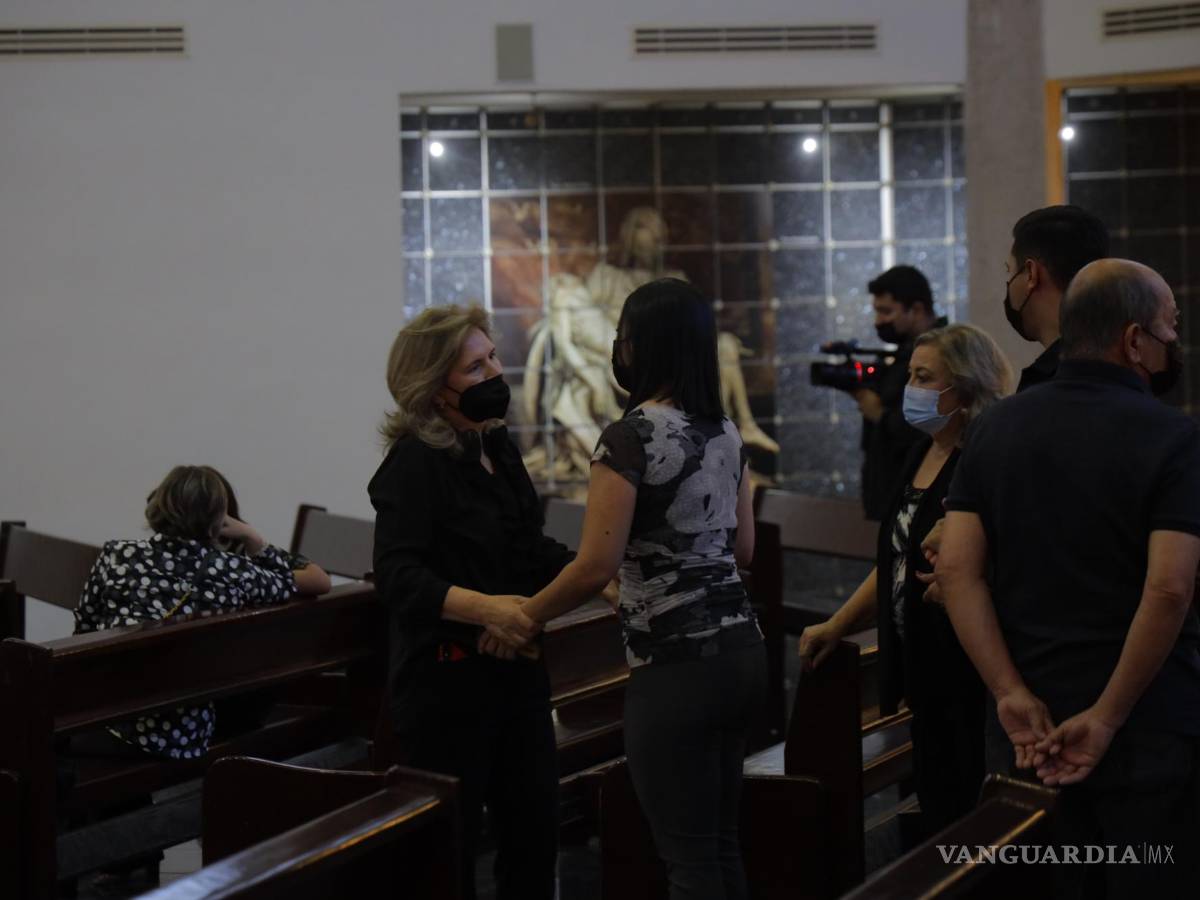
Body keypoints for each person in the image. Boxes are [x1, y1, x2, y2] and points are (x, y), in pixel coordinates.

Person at [938, 259, 1200, 897]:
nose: (1172, 345)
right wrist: (1106, 718)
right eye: (1169, 331)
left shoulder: (995, 426)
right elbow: (1167, 589)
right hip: (1144, 731)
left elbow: (955, 571)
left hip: (1028, 731)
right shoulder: (1173, 437)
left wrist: (1009, 692)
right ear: (1133, 340)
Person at [513, 277, 765, 900]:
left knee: (686, 861)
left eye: (622, 338)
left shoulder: (629, 437)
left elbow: (595, 564)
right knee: (721, 845)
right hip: (743, 655)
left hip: (675, 667)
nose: (616, 350)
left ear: (640, 347)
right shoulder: (725, 431)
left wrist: (524, 616)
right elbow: (744, 551)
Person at [368, 305, 575, 900]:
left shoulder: (496, 445)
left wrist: (600, 575)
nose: (495, 372)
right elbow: (398, 576)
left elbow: (526, 544)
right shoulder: (414, 462)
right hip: (446, 690)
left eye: (492, 357)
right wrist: (489, 611)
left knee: (534, 841)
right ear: (435, 389)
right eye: (476, 365)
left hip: (517, 676)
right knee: (449, 858)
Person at [800, 324, 1012, 838]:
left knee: (970, 809)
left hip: (965, 664)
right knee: (938, 804)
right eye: (910, 374)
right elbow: (895, 559)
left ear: (963, 386)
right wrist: (839, 623)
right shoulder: (921, 452)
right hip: (920, 662)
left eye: (923, 376)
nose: (909, 388)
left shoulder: (983, 457)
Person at [74, 464, 330, 760]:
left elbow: (85, 626)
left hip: (109, 716)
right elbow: (319, 580)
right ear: (219, 519)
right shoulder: (233, 571)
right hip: (183, 735)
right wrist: (255, 540)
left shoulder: (116, 554)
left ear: (157, 503)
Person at [856, 265, 946, 521]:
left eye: (886, 311)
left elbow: (928, 425)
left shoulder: (943, 353)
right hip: (889, 502)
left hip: (918, 501)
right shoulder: (901, 354)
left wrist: (880, 415)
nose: (878, 321)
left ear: (916, 309)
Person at [1002, 205, 1109, 391]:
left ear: (1030, 274)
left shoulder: (1044, 389)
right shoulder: (1125, 365)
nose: (1009, 283)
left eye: (1009, 271)